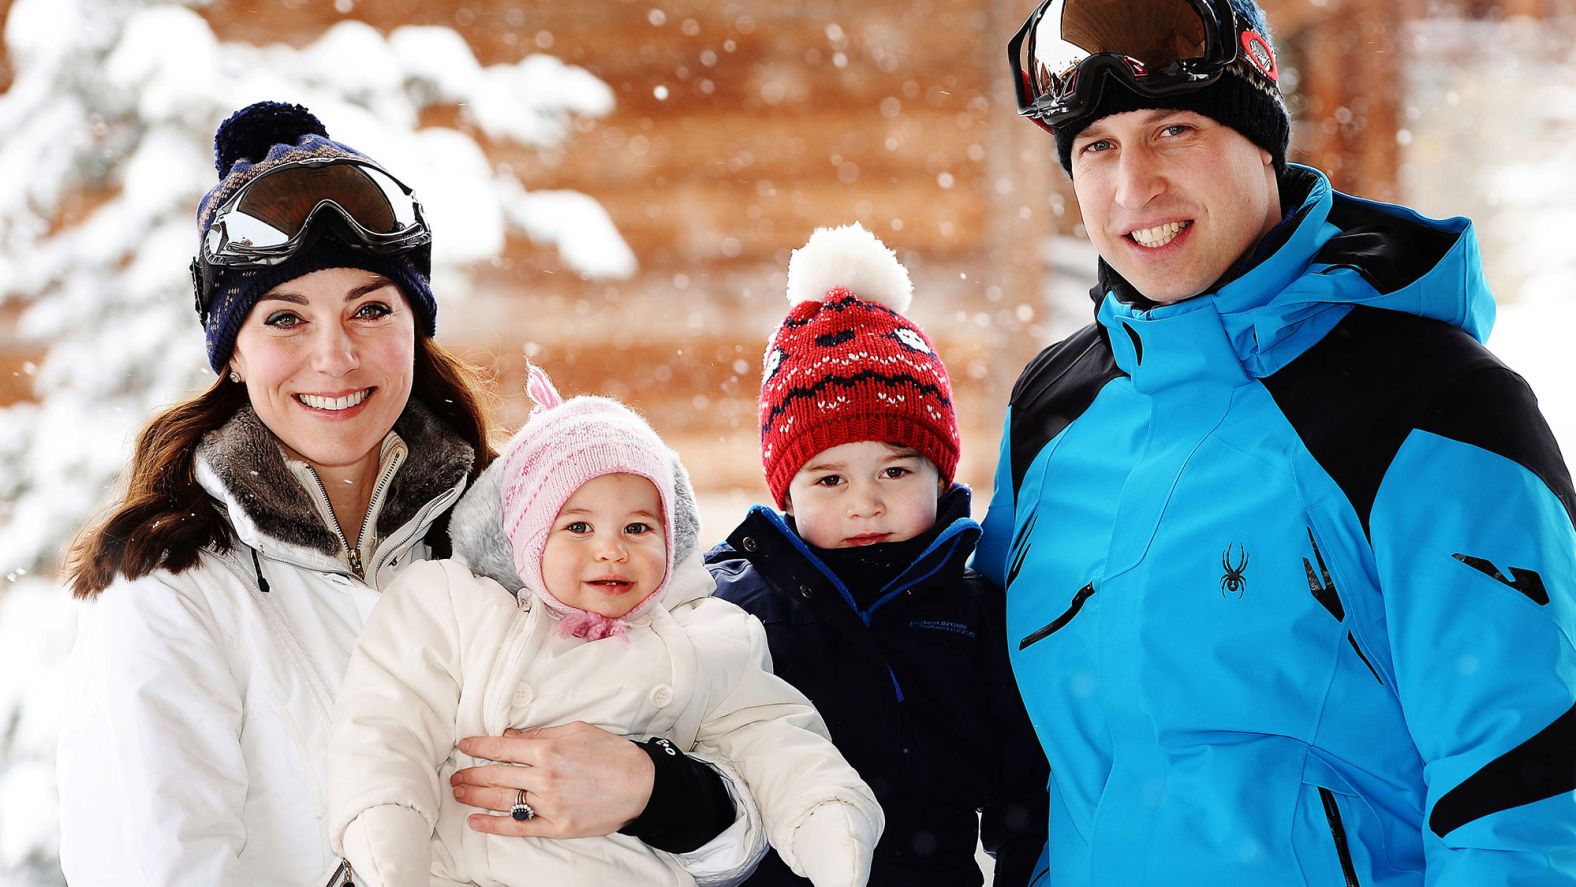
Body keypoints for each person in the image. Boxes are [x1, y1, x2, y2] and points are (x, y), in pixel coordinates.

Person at [55, 100, 766, 886]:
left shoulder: (519, 524)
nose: (335, 355)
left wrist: (659, 791)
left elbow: (743, 769)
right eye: (286, 318)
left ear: (413, 325)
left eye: (369, 309)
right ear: (232, 355)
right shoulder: (172, 587)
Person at [978, 0, 1576, 883]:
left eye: (1173, 129)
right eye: (1096, 146)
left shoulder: (1431, 407)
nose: (1132, 188)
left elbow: (1524, 802)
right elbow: (1016, 766)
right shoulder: (1052, 416)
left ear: (1261, 140)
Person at [327, 365, 883, 886]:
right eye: (579, 526)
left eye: (639, 527)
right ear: (526, 536)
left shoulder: (705, 635)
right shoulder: (460, 608)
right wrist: (386, 824)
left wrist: (824, 814)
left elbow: (772, 737)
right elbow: (388, 720)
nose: (612, 550)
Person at [707, 223, 1051, 886]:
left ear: (939, 473)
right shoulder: (738, 608)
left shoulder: (972, 612)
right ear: (788, 491)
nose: (864, 503)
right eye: (830, 479)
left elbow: (1024, 796)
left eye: (894, 472)